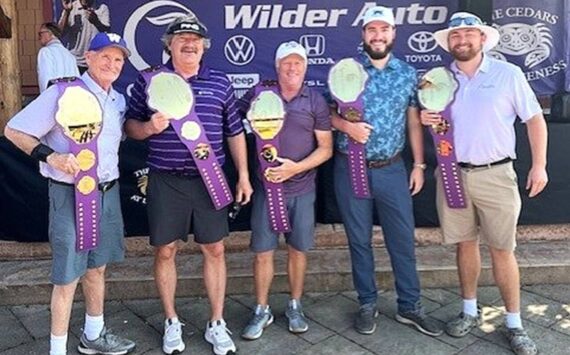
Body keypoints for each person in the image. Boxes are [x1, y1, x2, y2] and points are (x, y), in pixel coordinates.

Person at [125, 13, 253, 355]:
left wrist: (243, 174)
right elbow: (130, 128)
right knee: (165, 250)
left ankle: (216, 322)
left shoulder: (220, 82)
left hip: (209, 178)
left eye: (195, 40)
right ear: (169, 45)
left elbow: (235, 132)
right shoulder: (149, 81)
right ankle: (171, 321)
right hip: (166, 180)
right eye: (181, 38)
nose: (189, 44)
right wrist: (149, 127)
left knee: (215, 249)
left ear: (203, 47)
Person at [422, 12, 548, 355]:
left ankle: (514, 323)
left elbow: (535, 119)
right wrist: (424, 117)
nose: (462, 40)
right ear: (449, 42)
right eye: (455, 36)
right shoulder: (436, 79)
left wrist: (540, 166)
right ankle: (468, 311)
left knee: (502, 250)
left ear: (482, 39)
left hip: (496, 174)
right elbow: (432, 120)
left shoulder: (508, 74)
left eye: (468, 34)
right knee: (464, 244)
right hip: (452, 173)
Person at [4, 32, 135, 355]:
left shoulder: (117, 100)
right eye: (104, 55)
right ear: (87, 58)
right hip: (69, 195)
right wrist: (52, 157)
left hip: (107, 192)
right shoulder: (63, 92)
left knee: (97, 267)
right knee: (67, 276)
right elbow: (13, 130)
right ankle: (57, 350)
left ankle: (93, 335)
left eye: (118, 59)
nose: (112, 63)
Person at [329, 6, 442, 337]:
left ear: (394, 34)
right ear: (363, 35)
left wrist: (419, 164)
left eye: (384, 30)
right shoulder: (345, 71)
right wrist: (345, 128)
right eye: (371, 30)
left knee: (402, 240)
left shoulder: (407, 74)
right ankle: (367, 303)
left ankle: (410, 305)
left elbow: (412, 120)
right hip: (350, 167)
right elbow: (326, 114)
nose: (378, 36)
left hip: (391, 168)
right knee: (359, 240)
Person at [239, 41, 333, 340]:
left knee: (298, 250)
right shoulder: (258, 94)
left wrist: (295, 167)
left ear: (305, 67)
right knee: (263, 252)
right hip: (267, 190)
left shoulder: (315, 100)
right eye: (286, 63)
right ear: (277, 66)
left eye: (298, 63)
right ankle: (261, 308)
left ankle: (294, 304)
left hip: (302, 188)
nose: (292, 68)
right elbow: (231, 123)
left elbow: (326, 149)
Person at [58, 0, 110, 73]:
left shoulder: (102, 8)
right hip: (75, 61)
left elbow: (107, 31)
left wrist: (96, 21)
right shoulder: (71, 7)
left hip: (94, 61)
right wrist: (67, 12)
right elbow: (59, 33)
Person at [37, 22, 79, 92]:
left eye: (40, 34)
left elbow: (45, 80)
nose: (38, 38)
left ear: (49, 33)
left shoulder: (46, 52)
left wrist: (45, 99)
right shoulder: (69, 54)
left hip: (54, 97)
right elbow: (77, 79)